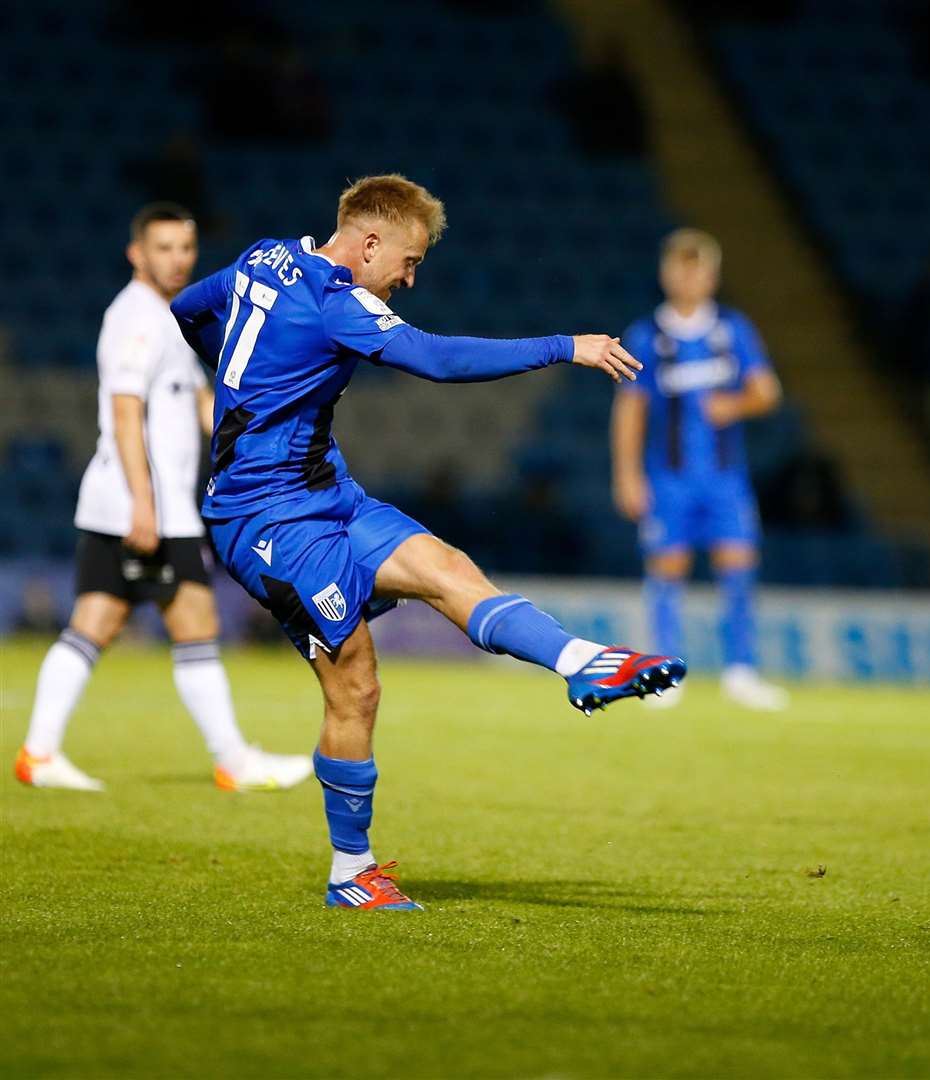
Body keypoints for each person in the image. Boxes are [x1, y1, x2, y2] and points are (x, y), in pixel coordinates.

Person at [168, 175, 685, 912]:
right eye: (408, 263)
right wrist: (565, 345)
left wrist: (227, 386)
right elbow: (436, 360)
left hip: (327, 494)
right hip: (263, 522)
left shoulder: (265, 258)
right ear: (369, 242)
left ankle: (583, 663)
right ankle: (352, 871)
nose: (408, 280)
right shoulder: (337, 302)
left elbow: (188, 311)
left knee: (446, 567)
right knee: (357, 685)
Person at [15, 203, 313, 794]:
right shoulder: (134, 318)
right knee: (194, 621)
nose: (177, 259)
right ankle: (233, 760)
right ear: (137, 253)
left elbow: (201, 402)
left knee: (96, 620)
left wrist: (257, 444)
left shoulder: (170, 316)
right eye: (164, 248)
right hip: (144, 504)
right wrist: (144, 505)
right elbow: (125, 415)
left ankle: (39, 754)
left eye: (185, 247)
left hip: (137, 502)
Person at [612, 229, 788, 711]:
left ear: (712, 275)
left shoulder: (732, 329)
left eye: (698, 267)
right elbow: (630, 409)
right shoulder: (648, 334)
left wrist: (734, 405)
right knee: (667, 570)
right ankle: (667, 673)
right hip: (669, 479)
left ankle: (742, 672)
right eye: (680, 266)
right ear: (667, 273)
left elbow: (767, 391)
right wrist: (627, 475)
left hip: (725, 479)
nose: (689, 277)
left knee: (738, 568)